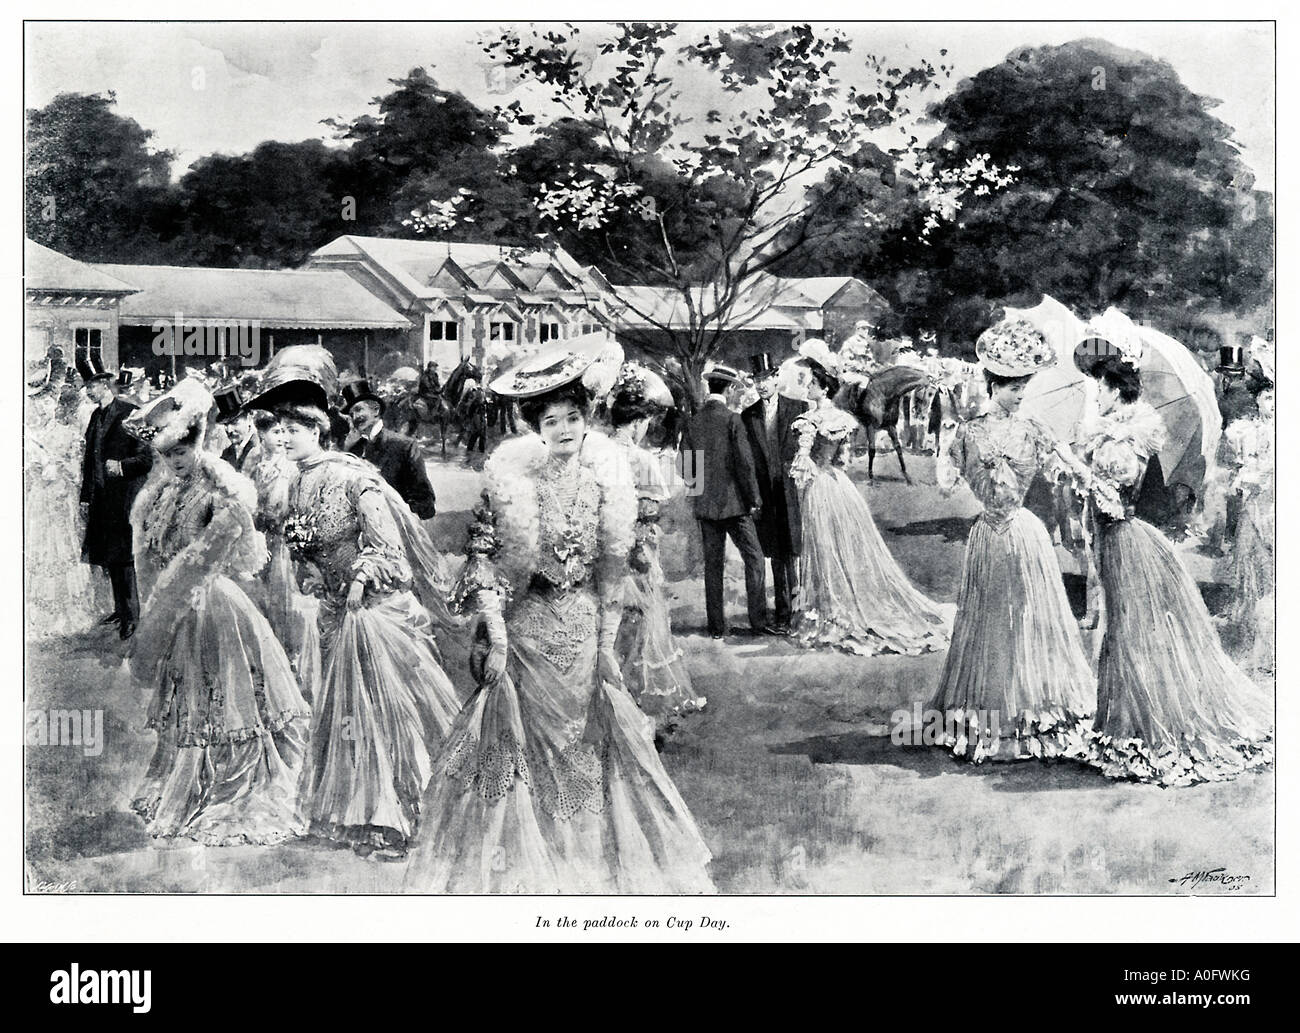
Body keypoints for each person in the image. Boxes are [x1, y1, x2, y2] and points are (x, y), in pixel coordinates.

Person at [404, 343, 714, 893]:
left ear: (588, 420)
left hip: (586, 626)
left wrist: (605, 646)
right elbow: (484, 563)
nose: (565, 428)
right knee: (521, 740)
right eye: (552, 421)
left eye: (574, 417)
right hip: (527, 628)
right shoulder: (510, 484)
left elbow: (614, 572)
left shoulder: (608, 482)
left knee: (595, 738)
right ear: (535, 428)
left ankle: (589, 861)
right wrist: (496, 639)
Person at [249, 347, 462, 859]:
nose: (284, 439)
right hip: (333, 617)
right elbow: (300, 545)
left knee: (386, 715)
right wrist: (311, 575)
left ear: (318, 430)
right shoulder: (296, 483)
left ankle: (404, 819)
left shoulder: (354, 477)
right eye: (279, 430)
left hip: (375, 616)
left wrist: (359, 581)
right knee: (343, 715)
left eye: (293, 431)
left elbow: (390, 550)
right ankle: (352, 814)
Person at [124, 379, 310, 845]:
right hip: (177, 606)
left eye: (181, 453)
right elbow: (154, 552)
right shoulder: (163, 495)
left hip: (213, 604)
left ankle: (232, 780)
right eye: (168, 456)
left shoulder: (223, 492)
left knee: (228, 692)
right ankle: (185, 779)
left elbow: (226, 552)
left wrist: (182, 583)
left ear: (198, 446)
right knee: (189, 694)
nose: (175, 462)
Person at [1080, 354, 1272, 786]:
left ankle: (1148, 727)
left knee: (1131, 631)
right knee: (1123, 628)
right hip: (1114, 540)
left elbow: (1116, 497)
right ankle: (1124, 723)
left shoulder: (1131, 436)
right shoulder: (1109, 433)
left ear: (1117, 390)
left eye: (1101, 389)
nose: (1097, 396)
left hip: (1126, 538)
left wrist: (1081, 473)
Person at [928, 317, 1095, 762]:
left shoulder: (1034, 428)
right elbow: (945, 482)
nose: (1020, 394)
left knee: (1026, 616)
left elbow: (1071, 466)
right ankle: (989, 708)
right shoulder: (967, 431)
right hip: (987, 533)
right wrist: (947, 451)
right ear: (992, 385)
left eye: (1024, 385)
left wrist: (1089, 477)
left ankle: (1030, 705)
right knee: (988, 618)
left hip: (1023, 533)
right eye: (1012, 386)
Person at [789, 339, 952, 655]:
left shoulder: (810, 421)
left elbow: (803, 465)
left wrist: (805, 477)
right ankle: (836, 607)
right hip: (839, 487)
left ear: (823, 389)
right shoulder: (842, 420)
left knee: (825, 547)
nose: (806, 388)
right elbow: (842, 461)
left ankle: (831, 613)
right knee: (840, 546)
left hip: (820, 489)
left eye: (810, 383)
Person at [609, 362, 705, 735]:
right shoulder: (639, 459)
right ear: (636, 422)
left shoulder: (595, 450)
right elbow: (651, 513)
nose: (648, 428)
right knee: (640, 623)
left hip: (604, 551)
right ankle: (632, 703)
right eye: (646, 421)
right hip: (634, 551)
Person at [679, 365, 775, 639]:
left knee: (713, 565)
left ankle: (716, 628)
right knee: (755, 558)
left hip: (706, 506)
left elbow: (684, 468)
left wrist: (700, 491)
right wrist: (754, 498)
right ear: (730, 389)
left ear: (711, 388)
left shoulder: (693, 422)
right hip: (735, 505)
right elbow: (745, 465)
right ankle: (757, 622)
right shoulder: (733, 420)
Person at [247, 409, 322, 703]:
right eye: (275, 433)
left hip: (286, 546)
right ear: (261, 435)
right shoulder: (257, 465)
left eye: (285, 432)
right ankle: (275, 664)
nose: (281, 438)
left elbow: (297, 507)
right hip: (265, 542)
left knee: (290, 605)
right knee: (267, 603)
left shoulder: (292, 468)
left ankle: (296, 666)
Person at [79, 363, 152, 640]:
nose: (87, 391)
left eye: (91, 386)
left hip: (123, 498)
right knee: (109, 557)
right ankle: (119, 609)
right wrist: (86, 498)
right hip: (101, 498)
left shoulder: (129, 413)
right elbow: (88, 463)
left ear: (104, 384)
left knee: (124, 559)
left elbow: (146, 459)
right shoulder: (95, 417)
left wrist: (121, 467)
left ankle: (132, 615)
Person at [25, 347, 94, 639]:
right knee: (37, 548)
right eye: (36, 403)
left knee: (62, 549)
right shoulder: (27, 435)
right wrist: (34, 470)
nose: (42, 408)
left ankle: (67, 613)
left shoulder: (68, 434)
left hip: (61, 502)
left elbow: (80, 472)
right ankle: (37, 614)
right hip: (38, 502)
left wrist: (60, 468)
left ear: (55, 402)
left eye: (47, 402)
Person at [740, 352, 807, 633]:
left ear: (777, 378)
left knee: (793, 551)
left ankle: (798, 611)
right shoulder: (748, 415)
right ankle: (782, 613)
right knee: (776, 553)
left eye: (767, 379)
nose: (762, 385)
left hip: (791, 490)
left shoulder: (798, 407)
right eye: (757, 380)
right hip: (766, 494)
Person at [342, 379, 438, 520]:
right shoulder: (352, 449)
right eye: (351, 414)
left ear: (376, 410)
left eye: (358, 409)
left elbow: (425, 501)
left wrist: (396, 513)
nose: (355, 417)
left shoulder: (404, 445)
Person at [215, 385, 259, 473]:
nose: (229, 430)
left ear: (249, 417)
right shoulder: (227, 454)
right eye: (226, 424)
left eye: (234, 423)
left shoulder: (260, 447)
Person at [457, 376, 489, 463]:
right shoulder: (472, 391)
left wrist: (486, 402)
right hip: (476, 415)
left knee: (482, 433)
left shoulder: (481, 390)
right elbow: (470, 405)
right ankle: (471, 452)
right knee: (477, 432)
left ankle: (480, 451)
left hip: (481, 414)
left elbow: (483, 401)